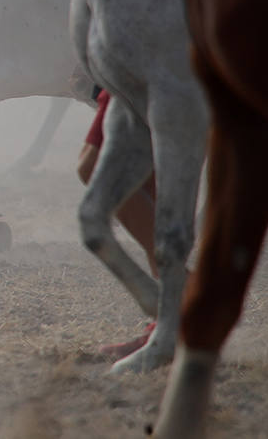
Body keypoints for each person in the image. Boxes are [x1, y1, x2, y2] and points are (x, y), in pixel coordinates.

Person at [76, 88, 159, 360]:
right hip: (129, 69)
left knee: (94, 164)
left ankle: (176, 295)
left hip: (138, 67)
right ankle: (168, 316)